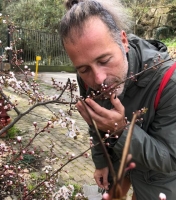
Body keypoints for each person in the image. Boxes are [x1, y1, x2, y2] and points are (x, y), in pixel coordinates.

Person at [59, 0, 176, 199]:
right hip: (118, 166)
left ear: (123, 41)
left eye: (104, 61)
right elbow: (95, 123)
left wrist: (121, 130)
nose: (99, 79)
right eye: (84, 69)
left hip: (157, 181)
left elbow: (171, 159)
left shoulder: (169, 81)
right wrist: (101, 162)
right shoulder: (86, 77)